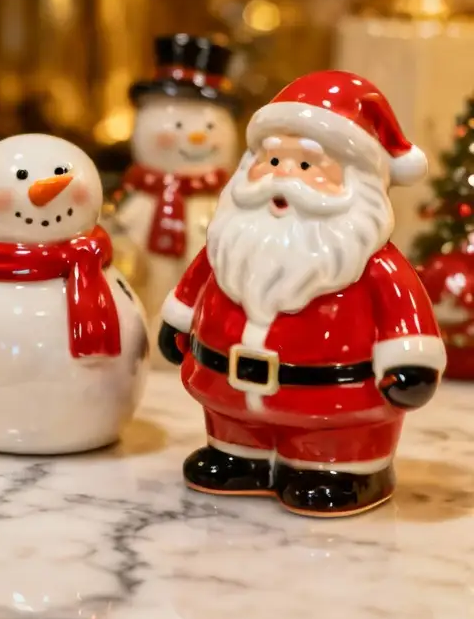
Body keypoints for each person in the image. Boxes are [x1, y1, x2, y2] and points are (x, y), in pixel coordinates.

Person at [159, 71, 445, 517]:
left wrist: (410, 363)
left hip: (333, 408)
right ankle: (239, 456)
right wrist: (176, 321)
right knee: (234, 433)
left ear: (357, 182)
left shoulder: (375, 265)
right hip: (226, 392)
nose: (282, 178)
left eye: (308, 166)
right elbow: (195, 285)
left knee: (332, 448)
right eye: (271, 161)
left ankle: (342, 470)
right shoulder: (230, 240)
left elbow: (404, 314)